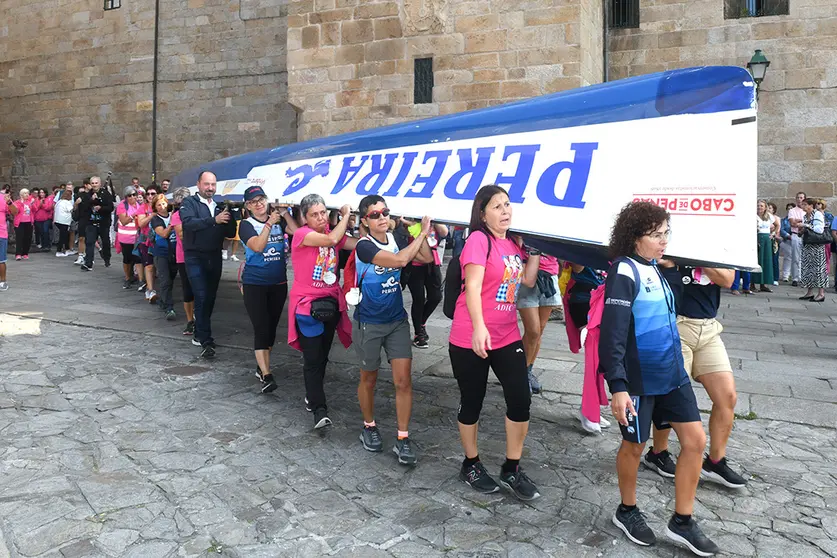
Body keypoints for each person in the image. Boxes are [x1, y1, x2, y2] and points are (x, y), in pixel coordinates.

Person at [600, 201, 718, 556]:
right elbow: (612, 334)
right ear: (635, 237)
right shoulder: (624, 271)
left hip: (673, 375)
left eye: (666, 233)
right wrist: (618, 387)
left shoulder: (656, 268)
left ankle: (682, 520)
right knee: (634, 447)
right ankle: (627, 510)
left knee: (695, 441)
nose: (664, 241)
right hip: (639, 381)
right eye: (656, 235)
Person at [450, 185, 542, 501]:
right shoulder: (478, 240)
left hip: (506, 334)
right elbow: (473, 288)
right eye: (497, 206)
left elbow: (526, 280)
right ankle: (471, 464)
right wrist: (479, 328)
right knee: (472, 401)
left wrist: (535, 252)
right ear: (482, 213)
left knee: (520, 398)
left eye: (507, 204)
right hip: (471, 335)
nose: (505, 210)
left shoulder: (512, 244)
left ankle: (511, 468)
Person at [645, 263, 747, 490]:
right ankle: (658, 453)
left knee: (727, 396)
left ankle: (715, 462)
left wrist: (702, 258)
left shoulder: (715, 247)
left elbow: (728, 280)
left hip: (708, 327)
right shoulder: (670, 242)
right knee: (672, 395)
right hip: (675, 323)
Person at [353, 196, 433, 465]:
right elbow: (399, 261)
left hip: (397, 320)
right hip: (369, 322)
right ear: (365, 221)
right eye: (375, 214)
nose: (382, 217)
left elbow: (426, 257)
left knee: (403, 381)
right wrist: (422, 233)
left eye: (385, 212)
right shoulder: (364, 246)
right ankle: (369, 426)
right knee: (369, 379)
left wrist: (415, 229)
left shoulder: (396, 237)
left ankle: (403, 437)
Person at [288, 194, 357, 429]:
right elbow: (331, 240)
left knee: (323, 355)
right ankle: (319, 408)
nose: (320, 218)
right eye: (314, 215)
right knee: (313, 358)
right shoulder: (302, 234)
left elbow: (357, 244)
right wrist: (345, 215)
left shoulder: (332, 233)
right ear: (304, 218)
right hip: (307, 306)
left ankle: (312, 395)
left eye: (323, 212)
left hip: (330, 303)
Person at [238, 186, 299, 393]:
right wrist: (269, 224)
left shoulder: (278, 220)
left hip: (278, 283)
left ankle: (261, 365)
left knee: (271, 329)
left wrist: (284, 214)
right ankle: (266, 375)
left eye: (261, 199)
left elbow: (297, 233)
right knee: (261, 327)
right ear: (247, 206)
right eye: (253, 201)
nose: (258, 204)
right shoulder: (246, 225)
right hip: (255, 284)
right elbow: (257, 246)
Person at [179, 171, 237, 359]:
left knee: (210, 297)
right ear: (198, 184)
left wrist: (232, 215)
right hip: (194, 256)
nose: (210, 188)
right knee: (201, 295)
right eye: (207, 184)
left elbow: (230, 232)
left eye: (213, 184)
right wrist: (214, 220)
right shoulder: (189, 203)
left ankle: (199, 328)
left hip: (214, 255)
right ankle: (206, 340)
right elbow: (188, 223)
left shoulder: (219, 206)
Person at [516, 254, 562, 394]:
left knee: (539, 331)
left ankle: (527, 371)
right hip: (527, 271)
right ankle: (520, 375)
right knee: (533, 331)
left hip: (550, 274)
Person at [402, 218, 448, 348]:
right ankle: (418, 333)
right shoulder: (409, 221)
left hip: (432, 264)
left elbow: (444, 232)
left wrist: (433, 220)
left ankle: (421, 322)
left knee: (436, 296)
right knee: (419, 299)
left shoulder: (432, 221)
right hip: (414, 265)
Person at [170, 188, 196, 335]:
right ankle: (190, 321)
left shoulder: (196, 212)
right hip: (183, 256)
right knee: (187, 289)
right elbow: (181, 235)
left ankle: (198, 317)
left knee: (199, 288)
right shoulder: (176, 216)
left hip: (199, 255)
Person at [150, 194, 179, 320]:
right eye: (159, 205)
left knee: (171, 279)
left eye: (164, 203)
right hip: (161, 253)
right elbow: (163, 234)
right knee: (165, 280)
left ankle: (163, 300)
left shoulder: (173, 215)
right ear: (155, 207)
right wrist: (172, 223)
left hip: (174, 252)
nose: (162, 207)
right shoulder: (155, 219)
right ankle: (169, 308)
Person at [78, 176, 114, 271]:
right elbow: (84, 208)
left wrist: (101, 207)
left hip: (103, 223)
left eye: (96, 183)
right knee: (89, 242)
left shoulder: (105, 194)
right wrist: (91, 200)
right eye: (92, 183)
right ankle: (88, 263)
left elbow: (110, 207)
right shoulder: (87, 195)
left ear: (99, 183)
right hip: (91, 223)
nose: (94, 185)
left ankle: (107, 258)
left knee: (105, 242)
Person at [799, 198, 828, 302]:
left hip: (816, 246)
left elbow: (819, 229)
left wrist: (805, 225)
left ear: (811, 206)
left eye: (805, 204)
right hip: (807, 245)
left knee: (819, 269)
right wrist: (801, 230)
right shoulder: (805, 216)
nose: (802, 206)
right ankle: (810, 292)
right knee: (808, 268)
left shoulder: (817, 214)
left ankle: (821, 294)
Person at [116, 186, 144, 289]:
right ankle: (128, 278)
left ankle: (140, 280)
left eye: (134, 195)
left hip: (137, 237)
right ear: (126, 197)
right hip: (126, 237)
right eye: (129, 195)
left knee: (138, 258)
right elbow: (123, 221)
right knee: (127, 258)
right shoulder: (122, 205)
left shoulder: (140, 204)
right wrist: (134, 215)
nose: (132, 197)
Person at [137, 188, 159, 299]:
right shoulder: (143, 208)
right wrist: (151, 215)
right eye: (148, 194)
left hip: (159, 239)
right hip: (146, 239)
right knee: (149, 265)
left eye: (153, 193)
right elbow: (141, 224)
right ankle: (150, 290)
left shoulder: (162, 206)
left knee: (157, 266)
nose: (150, 196)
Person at [752, 200, 775, 292]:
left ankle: (763, 284)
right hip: (757, 238)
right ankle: (752, 284)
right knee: (757, 261)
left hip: (767, 239)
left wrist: (773, 234)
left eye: (761, 206)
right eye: (758, 205)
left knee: (766, 261)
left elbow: (777, 225)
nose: (759, 207)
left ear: (765, 207)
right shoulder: (753, 216)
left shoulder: (769, 216)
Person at [785, 191, 806, 286]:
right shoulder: (792, 211)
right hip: (796, 234)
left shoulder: (807, 211)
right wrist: (803, 222)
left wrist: (799, 221)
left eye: (801, 198)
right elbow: (792, 223)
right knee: (795, 257)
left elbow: (810, 223)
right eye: (798, 197)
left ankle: (803, 277)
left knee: (805, 257)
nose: (799, 199)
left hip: (806, 236)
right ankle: (795, 278)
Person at [0, 190, 18, 291]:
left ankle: (3, 281)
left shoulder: (3, 198)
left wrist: (9, 202)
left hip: (1, 234)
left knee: (1, 260)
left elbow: (15, 212)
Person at [12, 189, 36, 260]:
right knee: (19, 239)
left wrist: (32, 204)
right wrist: (21, 203)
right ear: (21, 195)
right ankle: (18, 254)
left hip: (29, 222)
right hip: (20, 223)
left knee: (28, 238)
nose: (27, 195)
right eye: (25, 193)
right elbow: (16, 211)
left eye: (28, 193)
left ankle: (25, 253)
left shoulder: (30, 202)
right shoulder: (17, 202)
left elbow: (35, 209)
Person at [73, 179, 91, 266]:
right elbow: (74, 208)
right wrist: (76, 203)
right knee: (81, 238)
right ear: (86, 185)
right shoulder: (80, 195)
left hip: (91, 218)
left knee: (90, 239)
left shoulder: (93, 194)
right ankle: (80, 256)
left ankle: (88, 256)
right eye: (90, 184)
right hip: (82, 218)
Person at [54, 189, 74, 257]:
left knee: (65, 235)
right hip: (64, 222)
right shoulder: (67, 202)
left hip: (57, 221)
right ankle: (58, 251)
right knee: (62, 236)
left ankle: (67, 249)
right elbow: (71, 210)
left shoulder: (59, 201)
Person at [766, 202, 781, 286]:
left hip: (774, 240)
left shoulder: (776, 218)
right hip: (764, 239)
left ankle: (775, 278)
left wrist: (773, 233)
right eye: (767, 207)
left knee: (774, 259)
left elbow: (778, 227)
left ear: (774, 210)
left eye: (770, 208)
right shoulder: (763, 217)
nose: (768, 209)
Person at [779, 203, 794, 282]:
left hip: (796, 239)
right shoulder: (784, 220)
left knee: (797, 258)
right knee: (788, 257)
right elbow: (781, 229)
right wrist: (788, 235)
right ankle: (786, 275)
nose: (790, 210)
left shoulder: (798, 218)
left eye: (791, 208)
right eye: (788, 209)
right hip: (787, 240)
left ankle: (796, 275)